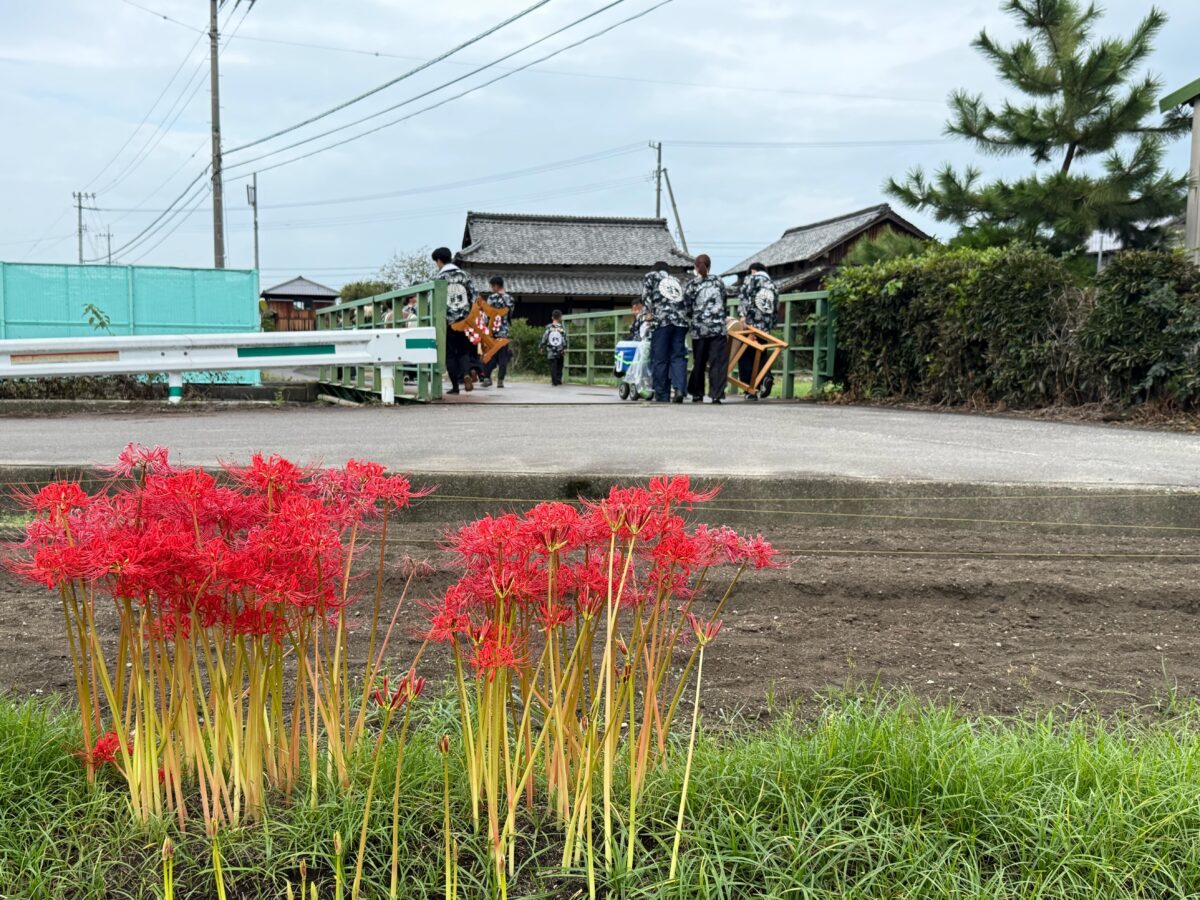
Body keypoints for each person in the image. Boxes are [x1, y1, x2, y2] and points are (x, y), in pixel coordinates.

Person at [642, 260, 689, 403]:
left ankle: (662, 394)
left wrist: (648, 314)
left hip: (662, 321)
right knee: (678, 357)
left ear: (654, 269)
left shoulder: (650, 276)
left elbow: (646, 298)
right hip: (680, 322)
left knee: (660, 358)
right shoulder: (675, 280)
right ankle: (679, 389)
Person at [431, 246, 476, 394]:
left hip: (448, 322)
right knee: (463, 351)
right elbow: (473, 295)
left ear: (439, 260)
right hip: (464, 321)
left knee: (449, 354)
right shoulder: (464, 275)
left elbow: (434, 301)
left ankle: (455, 386)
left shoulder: (440, 277)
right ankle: (466, 373)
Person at [684, 254, 728, 404]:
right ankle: (716, 394)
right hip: (718, 328)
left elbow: (687, 308)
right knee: (718, 362)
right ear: (710, 266)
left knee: (700, 362)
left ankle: (697, 393)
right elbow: (724, 301)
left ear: (696, 267)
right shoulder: (719, 281)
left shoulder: (691, 285)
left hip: (700, 328)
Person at [737, 261, 779, 401]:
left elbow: (744, 299)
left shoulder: (751, 280)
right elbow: (776, 307)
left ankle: (750, 390)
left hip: (751, 324)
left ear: (753, 271)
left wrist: (742, 316)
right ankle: (766, 376)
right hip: (765, 326)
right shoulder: (772, 285)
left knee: (745, 356)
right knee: (760, 354)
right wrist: (770, 325)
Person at [480, 276, 515, 388]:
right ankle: (500, 381)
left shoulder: (491, 298)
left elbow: (486, 316)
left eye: (491, 286)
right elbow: (510, 314)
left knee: (489, 355)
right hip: (504, 332)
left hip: (493, 333)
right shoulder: (510, 299)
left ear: (495, 285)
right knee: (502, 358)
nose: (491, 288)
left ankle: (487, 378)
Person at [539, 310, 569, 386]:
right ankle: (559, 379)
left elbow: (545, 337)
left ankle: (554, 381)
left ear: (552, 317)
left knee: (553, 366)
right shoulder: (562, 328)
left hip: (551, 350)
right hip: (560, 349)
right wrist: (565, 348)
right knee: (559, 365)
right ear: (560, 318)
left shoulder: (548, 328)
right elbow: (564, 338)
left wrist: (542, 346)